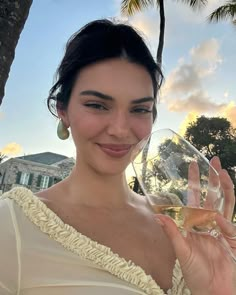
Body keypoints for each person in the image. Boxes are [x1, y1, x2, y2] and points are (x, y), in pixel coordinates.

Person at [0, 19, 235, 295]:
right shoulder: (11, 227)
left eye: (139, 110)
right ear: (63, 110)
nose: (121, 130)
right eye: (97, 105)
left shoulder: (183, 220)